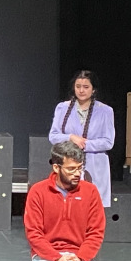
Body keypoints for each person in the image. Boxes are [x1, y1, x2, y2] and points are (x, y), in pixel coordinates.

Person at [49, 70, 115, 207]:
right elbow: (53, 136)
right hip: (69, 163)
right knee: (68, 204)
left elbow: (108, 141)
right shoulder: (62, 108)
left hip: (94, 165)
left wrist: (84, 144)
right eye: (78, 86)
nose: (81, 90)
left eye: (86, 87)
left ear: (93, 89)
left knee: (91, 205)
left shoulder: (105, 111)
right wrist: (71, 138)